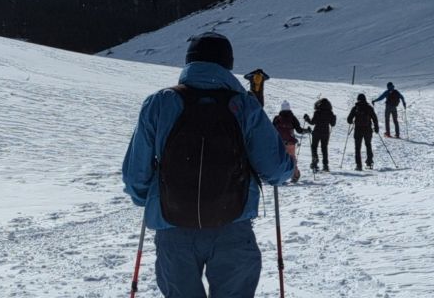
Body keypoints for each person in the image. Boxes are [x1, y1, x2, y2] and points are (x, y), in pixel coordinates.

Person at [120, 32, 297, 298]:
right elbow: (275, 171)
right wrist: (288, 162)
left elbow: (135, 175)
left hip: (173, 226)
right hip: (232, 226)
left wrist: (152, 200)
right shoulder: (244, 106)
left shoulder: (159, 103)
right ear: (228, 65)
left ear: (189, 63)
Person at [344, 94, 379, 171]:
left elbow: (349, 120)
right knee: (368, 145)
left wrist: (352, 121)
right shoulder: (369, 107)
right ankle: (369, 162)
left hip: (358, 130)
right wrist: (376, 128)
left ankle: (358, 165)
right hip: (368, 129)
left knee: (357, 148)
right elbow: (375, 118)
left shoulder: (356, 108)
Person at [272, 101, 309, 171]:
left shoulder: (277, 118)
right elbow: (299, 130)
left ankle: (280, 175)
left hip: (280, 142)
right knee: (292, 159)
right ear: (289, 108)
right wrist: (307, 130)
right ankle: (295, 174)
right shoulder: (292, 118)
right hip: (290, 142)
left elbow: (272, 130)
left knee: (281, 159)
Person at [303, 98, 337, 172]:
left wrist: (307, 118)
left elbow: (312, 122)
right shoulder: (330, 112)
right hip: (325, 132)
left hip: (317, 131)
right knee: (324, 148)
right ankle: (325, 165)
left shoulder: (317, 112)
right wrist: (334, 118)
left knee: (314, 146)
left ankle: (315, 160)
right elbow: (333, 124)